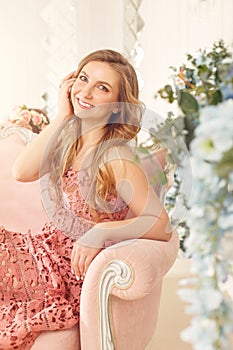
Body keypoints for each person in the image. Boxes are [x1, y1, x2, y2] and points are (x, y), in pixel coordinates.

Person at [0, 49, 173, 350]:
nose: (87, 92)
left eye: (102, 88)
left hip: (64, 272)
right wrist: (62, 115)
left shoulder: (115, 156)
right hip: (43, 253)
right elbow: (21, 171)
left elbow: (161, 225)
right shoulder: (71, 142)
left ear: (118, 107)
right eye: (83, 79)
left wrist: (101, 231)